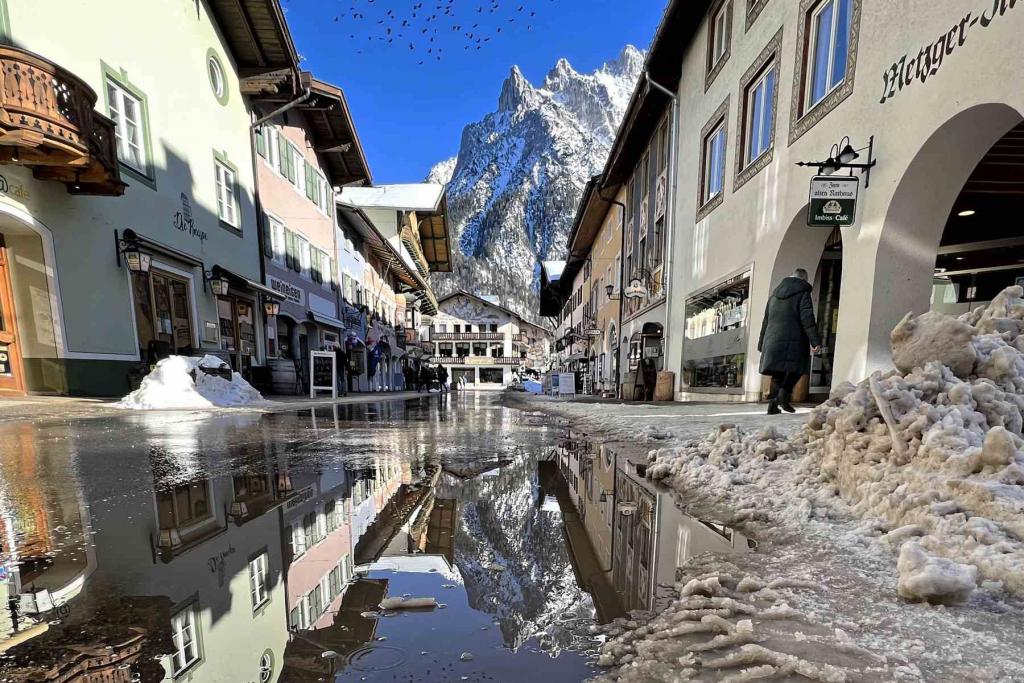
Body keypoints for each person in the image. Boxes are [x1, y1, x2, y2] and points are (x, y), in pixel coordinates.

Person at [757, 268, 822, 415]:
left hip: (772, 340)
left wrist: (762, 343)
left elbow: (765, 321)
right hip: (795, 340)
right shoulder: (803, 294)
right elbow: (807, 319)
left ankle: (773, 405)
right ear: (804, 280)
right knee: (798, 368)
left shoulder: (774, 296)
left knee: (777, 373)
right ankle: (783, 396)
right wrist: (815, 341)